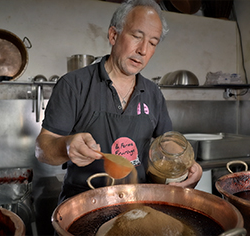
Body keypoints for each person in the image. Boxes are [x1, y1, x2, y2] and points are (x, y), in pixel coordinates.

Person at [35, 0, 202, 202]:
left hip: (138, 203)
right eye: (136, 37)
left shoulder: (153, 94)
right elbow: (42, 149)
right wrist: (66, 146)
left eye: (152, 43)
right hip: (84, 204)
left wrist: (186, 165)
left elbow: (165, 146)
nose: (143, 50)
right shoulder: (74, 85)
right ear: (114, 35)